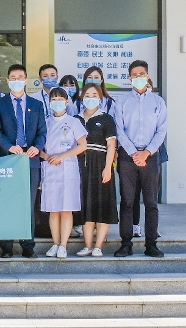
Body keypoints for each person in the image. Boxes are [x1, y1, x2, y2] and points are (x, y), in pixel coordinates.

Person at [0, 63, 45, 258]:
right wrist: (9, 146)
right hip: (7, 160)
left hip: (30, 161)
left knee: (27, 204)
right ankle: (6, 247)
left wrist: (36, 147)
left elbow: (42, 132)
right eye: (13, 78)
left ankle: (28, 246)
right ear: (7, 81)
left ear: (26, 80)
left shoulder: (36, 105)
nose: (17, 81)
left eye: (20, 78)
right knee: (6, 203)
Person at [113, 60, 167, 258]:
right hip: (127, 158)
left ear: (148, 76)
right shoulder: (121, 101)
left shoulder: (158, 102)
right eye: (134, 75)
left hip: (150, 157)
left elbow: (161, 131)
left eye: (142, 74)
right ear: (129, 78)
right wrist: (133, 152)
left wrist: (147, 152)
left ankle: (151, 245)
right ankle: (126, 244)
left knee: (151, 203)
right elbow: (119, 129)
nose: (138, 77)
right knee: (127, 202)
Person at [41, 87, 88, 258]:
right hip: (50, 168)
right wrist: (47, 157)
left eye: (60, 99)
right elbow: (38, 147)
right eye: (53, 99)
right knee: (53, 210)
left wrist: (62, 156)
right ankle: (55, 243)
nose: (57, 102)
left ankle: (63, 245)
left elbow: (83, 145)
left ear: (67, 101)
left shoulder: (73, 122)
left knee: (66, 208)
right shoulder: (45, 122)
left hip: (68, 168)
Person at [76, 83, 118, 257]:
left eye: (94, 95)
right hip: (80, 165)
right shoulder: (76, 119)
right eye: (87, 95)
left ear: (100, 98)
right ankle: (87, 245)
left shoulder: (106, 118)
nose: (90, 98)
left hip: (100, 164)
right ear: (82, 97)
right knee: (85, 205)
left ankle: (98, 246)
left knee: (102, 204)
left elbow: (111, 145)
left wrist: (108, 168)